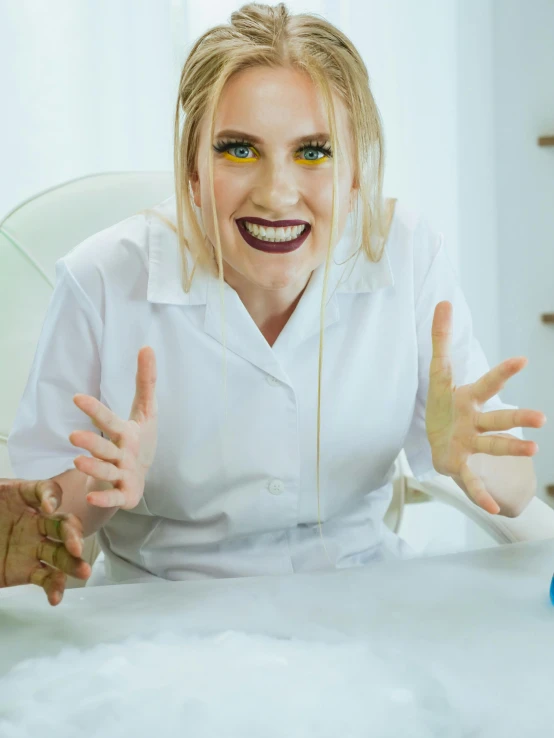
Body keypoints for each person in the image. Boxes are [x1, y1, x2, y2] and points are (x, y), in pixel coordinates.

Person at [1, 2, 546, 607]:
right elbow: (38, 520)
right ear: (191, 169)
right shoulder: (101, 279)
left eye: (314, 151)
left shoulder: (406, 256)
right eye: (239, 149)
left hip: (364, 608)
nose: (276, 192)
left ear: (356, 171)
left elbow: (518, 494)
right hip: (169, 623)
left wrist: (466, 454)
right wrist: (97, 482)